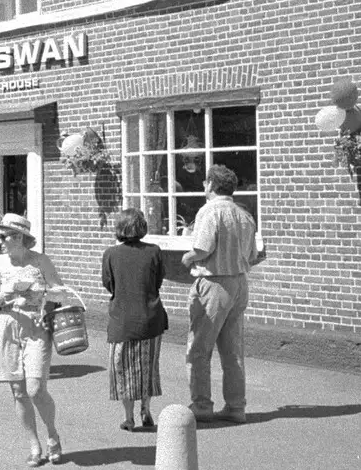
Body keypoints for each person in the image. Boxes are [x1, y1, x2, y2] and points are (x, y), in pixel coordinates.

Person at [0, 213, 79, 465]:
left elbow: (62, 292)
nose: (0, 241)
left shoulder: (40, 261)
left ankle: (52, 435)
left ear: (19, 237)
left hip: (37, 326)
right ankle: (33, 444)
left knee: (36, 388)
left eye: (4, 236)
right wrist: (6, 293)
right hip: (8, 326)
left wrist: (42, 291)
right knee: (18, 391)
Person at [179, 164, 265, 423]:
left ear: (210, 185)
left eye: (205, 183)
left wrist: (187, 258)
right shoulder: (245, 215)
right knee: (232, 350)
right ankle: (236, 406)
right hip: (239, 283)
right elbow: (254, 255)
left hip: (214, 283)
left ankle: (202, 406)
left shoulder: (209, 211)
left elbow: (203, 248)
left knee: (199, 349)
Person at [102, 207, 167, 431]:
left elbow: (108, 284)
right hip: (150, 318)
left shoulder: (110, 254)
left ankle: (128, 417)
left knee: (122, 370)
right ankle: (146, 410)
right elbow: (158, 281)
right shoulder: (154, 251)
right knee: (147, 368)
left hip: (122, 320)